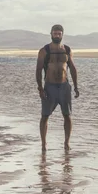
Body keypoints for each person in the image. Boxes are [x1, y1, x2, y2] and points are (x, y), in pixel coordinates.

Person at [36, 24, 79, 152]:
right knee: (45, 116)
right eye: (55, 33)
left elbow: (72, 68)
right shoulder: (44, 50)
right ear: (51, 34)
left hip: (64, 87)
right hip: (50, 86)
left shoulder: (67, 49)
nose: (57, 35)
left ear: (62, 35)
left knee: (67, 115)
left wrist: (76, 87)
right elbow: (38, 70)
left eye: (59, 34)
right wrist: (40, 89)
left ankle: (66, 143)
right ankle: (43, 145)